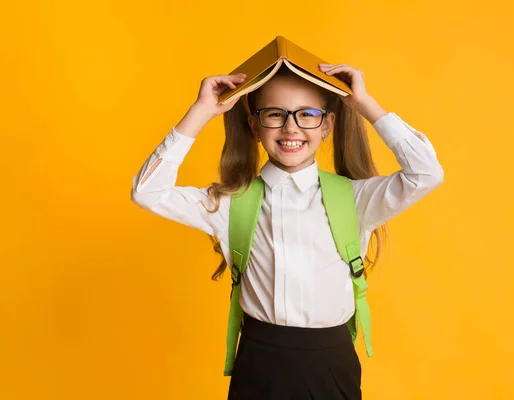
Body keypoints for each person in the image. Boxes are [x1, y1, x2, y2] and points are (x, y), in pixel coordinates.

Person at [131, 62, 444, 399]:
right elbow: (147, 192)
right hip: (259, 363)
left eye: (307, 114)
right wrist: (202, 110)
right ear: (254, 126)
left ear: (327, 125)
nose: (291, 128)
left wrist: (365, 103)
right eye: (275, 115)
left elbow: (426, 173)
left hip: (331, 365)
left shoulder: (356, 199)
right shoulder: (229, 203)